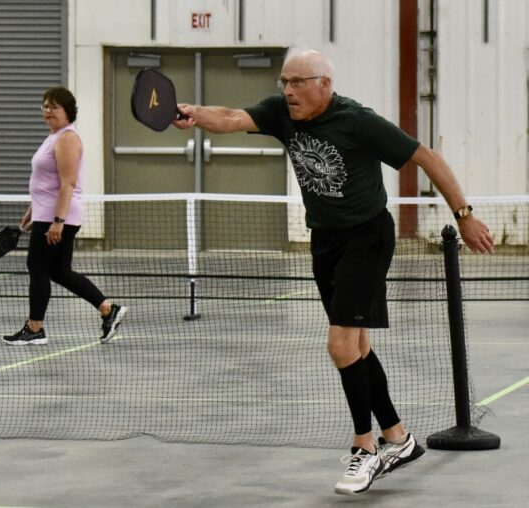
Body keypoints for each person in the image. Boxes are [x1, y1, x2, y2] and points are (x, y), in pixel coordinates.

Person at [172, 48, 494, 496]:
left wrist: (464, 215)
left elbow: (428, 159)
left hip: (367, 236)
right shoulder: (281, 113)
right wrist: (192, 113)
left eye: (298, 82)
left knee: (340, 345)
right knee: (356, 346)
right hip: (324, 240)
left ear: (324, 83)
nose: (287, 90)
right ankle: (398, 438)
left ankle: (366, 449)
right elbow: (229, 116)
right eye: (283, 82)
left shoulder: (357, 120)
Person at [3, 87, 127, 346]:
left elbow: (67, 183)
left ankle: (35, 328)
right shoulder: (53, 136)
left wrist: (56, 222)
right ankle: (107, 308)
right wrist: (32, 211)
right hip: (47, 213)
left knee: (37, 267)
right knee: (59, 271)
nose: (48, 111)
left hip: (58, 217)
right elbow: (44, 182)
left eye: (54, 107)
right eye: (45, 106)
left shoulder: (67, 138)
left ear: (67, 111)